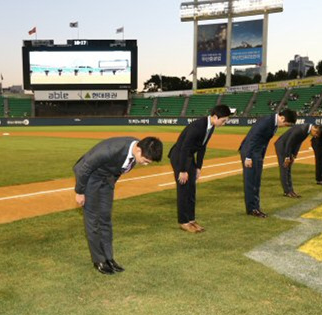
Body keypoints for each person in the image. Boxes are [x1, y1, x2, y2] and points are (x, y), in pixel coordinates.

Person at [74, 136, 163, 275]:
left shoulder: (138, 150)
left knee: (105, 218)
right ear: (138, 150)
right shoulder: (110, 150)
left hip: (107, 179)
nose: (145, 164)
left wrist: (110, 183)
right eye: (145, 161)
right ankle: (99, 260)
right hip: (90, 177)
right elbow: (85, 168)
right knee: (93, 221)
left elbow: (120, 169)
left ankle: (109, 258)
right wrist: (80, 191)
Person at [169, 105, 232, 233]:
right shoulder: (197, 126)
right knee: (183, 189)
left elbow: (202, 147)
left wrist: (198, 167)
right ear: (215, 117)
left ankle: (191, 219)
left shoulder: (211, 126)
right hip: (179, 156)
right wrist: (182, 170)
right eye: (223, 120)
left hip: (189, 157)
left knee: (191, 188)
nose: (224, 123)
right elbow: (184, 148)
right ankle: (183, 222)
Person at [239, 109, 297, 218]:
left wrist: (261, 156)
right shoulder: (266, 121)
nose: (285, 126)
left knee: (256, 180)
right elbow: (253, 139)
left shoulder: (273, 123)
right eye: (286, 124)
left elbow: (263, 142)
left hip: (257, 153)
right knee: (251, 181)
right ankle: (253, 209)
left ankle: (254, 207)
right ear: (282, 118)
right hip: (251, 152)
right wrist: (248, 157)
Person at [274, 123, 322, 197]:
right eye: (316, 133)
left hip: (288, 147)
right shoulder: (302, 129)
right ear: (314, 129)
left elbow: (298, 142)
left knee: (288, 168)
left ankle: (291, 190)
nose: (315, 135)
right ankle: (287, 192)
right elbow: (289, 142)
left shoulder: (306, 130)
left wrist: (293, 155)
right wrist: (287, 157)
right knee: (285, 167)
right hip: (282, 146)